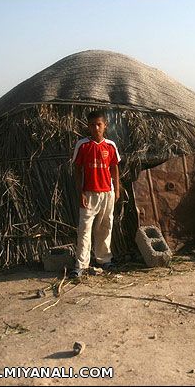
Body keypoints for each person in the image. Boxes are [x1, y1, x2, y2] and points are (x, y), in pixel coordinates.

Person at [70, 110, 121, 278]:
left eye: (99, 124)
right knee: (84, 229)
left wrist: (117, 190)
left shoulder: (110, 145)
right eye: (92, 125)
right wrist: (81, 193)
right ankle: (81, 265)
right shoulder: (83, 145)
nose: (96, 128)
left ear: (105, 125)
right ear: (88, 126)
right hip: (89, 193)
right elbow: (77, 170)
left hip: (107, 191)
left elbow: (114, 167)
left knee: (105, 226)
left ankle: (104, 259)